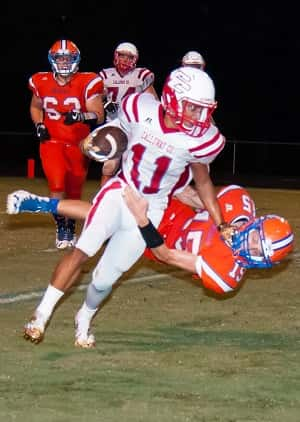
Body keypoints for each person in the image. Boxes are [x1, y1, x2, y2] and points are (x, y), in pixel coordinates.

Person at [11, 66, 230, 348]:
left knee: (103, 280)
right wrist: (100, 141)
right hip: (121, 190)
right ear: (173, 99)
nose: (200, 118)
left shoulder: (204, 139)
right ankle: (40, 315)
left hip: (152, 208)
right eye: (193, 109)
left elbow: (203, 182)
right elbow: (116, 130)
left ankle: (84, 317)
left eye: (203, 111)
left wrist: (221, 222)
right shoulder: (139, 106)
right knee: (83, 250)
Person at [7, 184, 294, 298]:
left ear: (263, 264)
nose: (250, 247)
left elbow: (167, 255)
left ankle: (41, 205)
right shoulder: (237, 202)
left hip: (159, 242)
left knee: (112, 222)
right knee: (107, 209)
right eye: (256, 239)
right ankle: (41, 204)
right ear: (255, 224)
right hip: (177, 212)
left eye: (259, 252)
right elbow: (198, 198)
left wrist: (144, 222)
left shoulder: (226, 275)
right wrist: (173, 184)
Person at [29, 39, 105, 249]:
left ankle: (69, 224)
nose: (63, 63)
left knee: (73, 191)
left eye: (67, 58)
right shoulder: (40, 80)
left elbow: (98, 116)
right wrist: (40, 125)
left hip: (79, 144)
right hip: (52, 141)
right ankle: (62, 226)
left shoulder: (88, 81)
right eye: (59, 58)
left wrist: (81, 116)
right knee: (57, 185)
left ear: (76, 59)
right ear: (52, 60)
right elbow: (36, 107)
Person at [99, 42, 158, 122]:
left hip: (134, 121)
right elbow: (98, 98)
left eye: (129, 57)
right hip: (112, 121)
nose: (125, 60)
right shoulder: (106, 75)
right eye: (122, 55)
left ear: (135, 59)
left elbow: (153, 102)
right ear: (116, 56)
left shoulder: (141, 75)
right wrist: (105, 103)